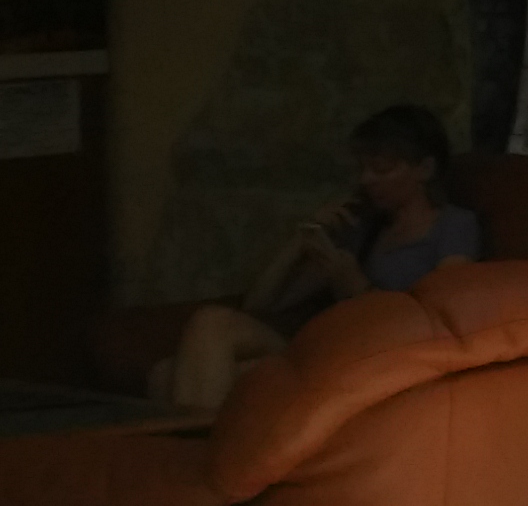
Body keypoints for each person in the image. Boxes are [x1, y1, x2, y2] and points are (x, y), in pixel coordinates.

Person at [154, 104, 480, 410]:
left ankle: (203, 448)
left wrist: (357, 286)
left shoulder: (454, 225)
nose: (367, 179)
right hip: (324, 346)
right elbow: (261, 305)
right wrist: (302, 239)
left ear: (425, 168)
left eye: (381, 168)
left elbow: (443, 318)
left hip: (377, 355)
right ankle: (210, 445)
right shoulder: (364, 230)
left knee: (201, 348)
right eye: (363, 168)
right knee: (167, 371)